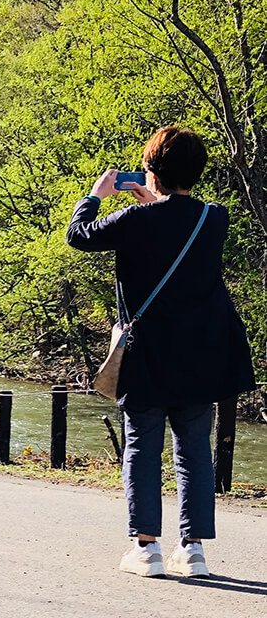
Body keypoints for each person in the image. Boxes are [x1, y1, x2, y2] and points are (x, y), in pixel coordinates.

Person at [66, 127, 255, 579]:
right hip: (202, 356)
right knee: (194, 451)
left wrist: (95, 195)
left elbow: (79, 235)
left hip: (147, 356)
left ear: (150, 171)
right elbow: (178, 226)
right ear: (197, 172)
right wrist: (156, 199)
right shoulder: (214, 218)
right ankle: (193, 551)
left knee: (142, 447)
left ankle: (146, 548)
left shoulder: (134, 220)